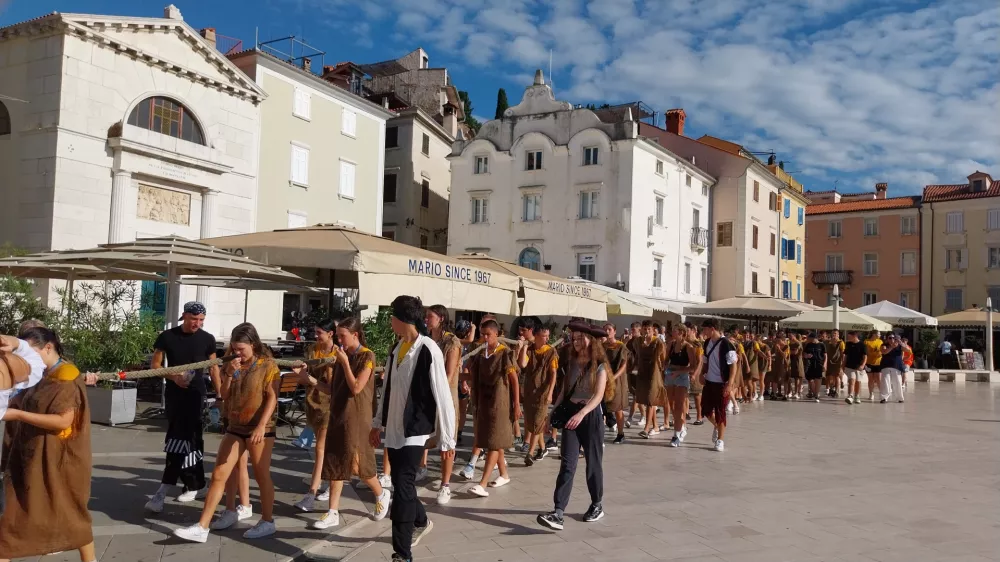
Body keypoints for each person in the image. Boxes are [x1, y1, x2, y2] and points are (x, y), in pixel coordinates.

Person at [174, 323, 281, 542]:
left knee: (261, 475)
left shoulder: (268, 365)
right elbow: (223, 393)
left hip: (260, 427)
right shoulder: (230, 363)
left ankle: (267, 520)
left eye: (241, 349)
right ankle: (202, 526)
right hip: (235, 426)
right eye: (234, 348)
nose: (237, 353)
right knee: (218, 474)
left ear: (253, 344)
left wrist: (262, 426)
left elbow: (272, 397)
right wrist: (229, 374)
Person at [370, 296, 456, 562]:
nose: (390, 321)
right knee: (401, 483)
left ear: (402, 318)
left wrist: (448, 440)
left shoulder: (428, 349)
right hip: (394, 429)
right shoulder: (397, 348)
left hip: (415, 430)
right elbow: (388, 389)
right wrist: (377, 423)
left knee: (403, 488)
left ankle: (402, 553)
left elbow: (443, 395)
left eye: (392, 316)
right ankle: (421, 520)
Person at [0, 328, 95, 562]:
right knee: (15, 513)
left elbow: (63, 421)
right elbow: (21, 398)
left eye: (30, 352)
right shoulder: (41, 374)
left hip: (59, 458)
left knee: (70, 514)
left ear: (48, 348)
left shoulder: (66, 376)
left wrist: (17, 415)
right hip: (33, 455)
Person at [294, 317, 389, 529]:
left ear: (355, 335)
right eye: (337, 336)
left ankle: (381, 493)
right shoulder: (341, 356)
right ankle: (332, 512)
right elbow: (331, 389)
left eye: (342, 336)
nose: (339, 340)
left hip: (358, 417)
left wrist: (344, 362)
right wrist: (308, 379)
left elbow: (356, 388)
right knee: (335, 460)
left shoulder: (367, 356)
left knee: (357, 463)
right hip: (338, 414)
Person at [145, 302, 219, 513]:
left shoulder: (207, 339)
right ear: (184, 316)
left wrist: (220, 395)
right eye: (194, 319)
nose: (197, 323)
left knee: (183, 439)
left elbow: (214, 369)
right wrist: (174, 377)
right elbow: (155, 366)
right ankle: (195, 484)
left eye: (201, 320)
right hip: (174, 394)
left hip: (196, 396)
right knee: (185, 438)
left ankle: (166, 489)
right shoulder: (167, 336)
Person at [537, 322, 609, 531]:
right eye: (573, 338)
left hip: (590, 416)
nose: (576, 342)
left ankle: (597, 504)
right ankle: (558, 512)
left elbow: (599, 395)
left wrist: (582, 413)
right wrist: (552, 413)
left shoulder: (600, 365)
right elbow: (564, 391)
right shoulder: (572, 363)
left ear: (590, 340)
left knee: (593, 464)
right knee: (567, 464)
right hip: (571, 414)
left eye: (580, 338)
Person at [466, 319, 519, 497]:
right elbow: (471, 373)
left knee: (494, 444)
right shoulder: (481, 354)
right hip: (485, 403)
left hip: (500, 405)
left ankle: (482, 484)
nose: (485, 338)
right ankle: (504, 474)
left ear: (497, 334)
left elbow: (514, 380)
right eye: (483, 334)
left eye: (488, 334)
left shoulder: (504, 354)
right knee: (494, 441)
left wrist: (516, 404)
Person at [293, 319, 338, 513]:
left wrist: (308, 377)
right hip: (313, 403)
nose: (316, 335)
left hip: (330, 405)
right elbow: (304, 379)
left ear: (330, 334)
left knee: (320, 449)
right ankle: (329, 481)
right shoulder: (312, 350)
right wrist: (301, 374)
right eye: (315, 332)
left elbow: (331, 385)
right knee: (327, 450)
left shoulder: (337, 354)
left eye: (319, 332)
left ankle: (311, 494)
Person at [424, 305, 463, 504]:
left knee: (447, 440)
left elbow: (449, 374)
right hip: (427, 395)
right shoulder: (426, 339)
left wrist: (434, 391)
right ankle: (421, 468)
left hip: (445, 396)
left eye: (429, 316)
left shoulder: (451, 342)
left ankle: (445, 485)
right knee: (422, 435)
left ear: (440, 318)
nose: (426, 319)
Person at [518, 321, 558, 463]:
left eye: (548, 336)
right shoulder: (530, 349)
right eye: (544, 336)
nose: (547, 338)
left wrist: (550, 392)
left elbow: (553, 373)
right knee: (533, 423)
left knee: (537, 422)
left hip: (543, 392)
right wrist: (523, 347)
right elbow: (522, 364)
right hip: (530, 391)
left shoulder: (551, 351)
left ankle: (530, 453)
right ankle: (542, 448)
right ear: (536, 336)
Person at [696, 320, 738, 452]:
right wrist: (702, 374)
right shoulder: (707, 342)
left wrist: (729, 384)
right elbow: (705, 361)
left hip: (722, 383)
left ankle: (720, 440)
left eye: (705, 329)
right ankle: (717, 425)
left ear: (712, 329)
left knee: (720, 412)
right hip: (709, 381)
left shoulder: (726, 344)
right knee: (706, 409)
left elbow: (733, 365)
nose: (703, 332)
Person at [664, 326, 697, 447]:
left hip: (682, 377)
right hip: (670, 375)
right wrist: (665, 366)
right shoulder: (671, 345)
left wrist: (679, 371)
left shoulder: (688, 347)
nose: (672, 332)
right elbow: (666, 360)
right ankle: (681, 425)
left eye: (675, 330)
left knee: (679, 405)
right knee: (671, 404)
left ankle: (676, 435)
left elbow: (692, 366)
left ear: (681, 333)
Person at [636, 320, 666, 439]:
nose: (647, 331)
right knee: (647, 400)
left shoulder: (658, 342)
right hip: (643, 373)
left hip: (654, 373)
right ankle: (655, 426)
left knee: (650, 400)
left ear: (653, 330)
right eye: (645, 329)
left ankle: (646, 428)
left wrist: (662, 372)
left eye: (649, 329)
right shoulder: (638, 341)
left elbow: (663, 358)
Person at [602, 323, 629, 444]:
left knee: (617, 408)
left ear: (614, 331)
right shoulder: (603, 346)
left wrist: (613, 377)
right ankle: (599, 434)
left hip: (617, 380)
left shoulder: (620, 346)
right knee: (603, 408)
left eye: (609, 329)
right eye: (605, 329)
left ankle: (621, 433)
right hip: (604, 378)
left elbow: (623, 365)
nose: (607, 331)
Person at [685, 322, 705, 425]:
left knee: (697, 395)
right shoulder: (685, 342)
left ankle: (699, 417)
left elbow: (700, 361)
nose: (686, 332)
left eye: (687, 330)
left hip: (696, 372)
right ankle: (684, 415)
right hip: (685, 371)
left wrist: (695, 374)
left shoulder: (697, 344)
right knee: (684, 395)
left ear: (693, 331)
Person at [623, 322, 643, 427]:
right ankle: (643, 416)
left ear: (639, 330)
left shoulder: (643, 340)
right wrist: (625, 342)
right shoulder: (630, 341)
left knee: (636, 395)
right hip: (631, 370)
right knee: (636, 395)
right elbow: (624, 353)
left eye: (634, 330)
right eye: (631, 329)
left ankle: (630, 417)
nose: (632, 331)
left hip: (640, 370)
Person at [879, 334, 905, 404]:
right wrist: (892, 347)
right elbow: (884, 352)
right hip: (886, 366)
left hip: (896, 366)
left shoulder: (899, 345)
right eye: (890, 338)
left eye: (893, 338)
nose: (892, 339)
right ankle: (884, 398)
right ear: (887, 339)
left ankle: (900, 398)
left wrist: (902, 343)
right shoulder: (884, 345)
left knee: (898, 382)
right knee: (885, 382)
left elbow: (908, 350)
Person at [842, 331, 867, 404]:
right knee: (851, 380)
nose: (848, 338)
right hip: (849, 366)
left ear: (854, 336)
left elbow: (865, 356)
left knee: (858, 382)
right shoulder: (848, 344)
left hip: (859, 367)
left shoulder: (862, 345)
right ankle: (850, 396)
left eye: (849, 336)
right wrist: (842, 366)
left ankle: (857, 396)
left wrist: (863, 365)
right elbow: (845, 356)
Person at [802, 332, 827, 403]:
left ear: (814, 338)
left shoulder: (821, 345)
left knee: (818, 378)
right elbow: (804, 353)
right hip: (810, 363)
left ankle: (816, 394)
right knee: (810, 379)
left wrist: (825, 364)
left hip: (819, 363)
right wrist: (806, 356)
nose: (808, 339)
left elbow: (825, 355)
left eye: (809, 338)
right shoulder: (808, 345)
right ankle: (814, 392)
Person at [824, 330, 845, 398]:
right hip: (829, 362)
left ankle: (837, 391)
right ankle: (831, 389)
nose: (834, 334)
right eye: (833, 333)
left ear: (838, 335)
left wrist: (842, 363)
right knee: (829, 376)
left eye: (835, 333)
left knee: (836, 376)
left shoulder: (841, 342)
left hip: (837, 362)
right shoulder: (828, 342)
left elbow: (842, 354)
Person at [864, 331, 884, 402]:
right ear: (874, 334)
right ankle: (871, 393)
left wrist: (880, 353)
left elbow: (882, 350)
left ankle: (882, 393)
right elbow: (866, 352)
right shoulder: (866, 342)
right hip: (869, 363)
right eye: (878, 334)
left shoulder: (880, 341)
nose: (880, 335)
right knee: (870, 379)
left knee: (878, 379)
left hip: (878, 363)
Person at [787, 332, 805, 400]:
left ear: (794, 336)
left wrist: (788, 351)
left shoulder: (798, 343)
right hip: (790, 361)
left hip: (797, 361)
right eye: (789, 336)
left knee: (797, 377)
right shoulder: (789, 343)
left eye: (791, 336)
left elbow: (795, 352)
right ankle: (790, 391)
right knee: (789, 377)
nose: (789, 337)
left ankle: (796, 392)